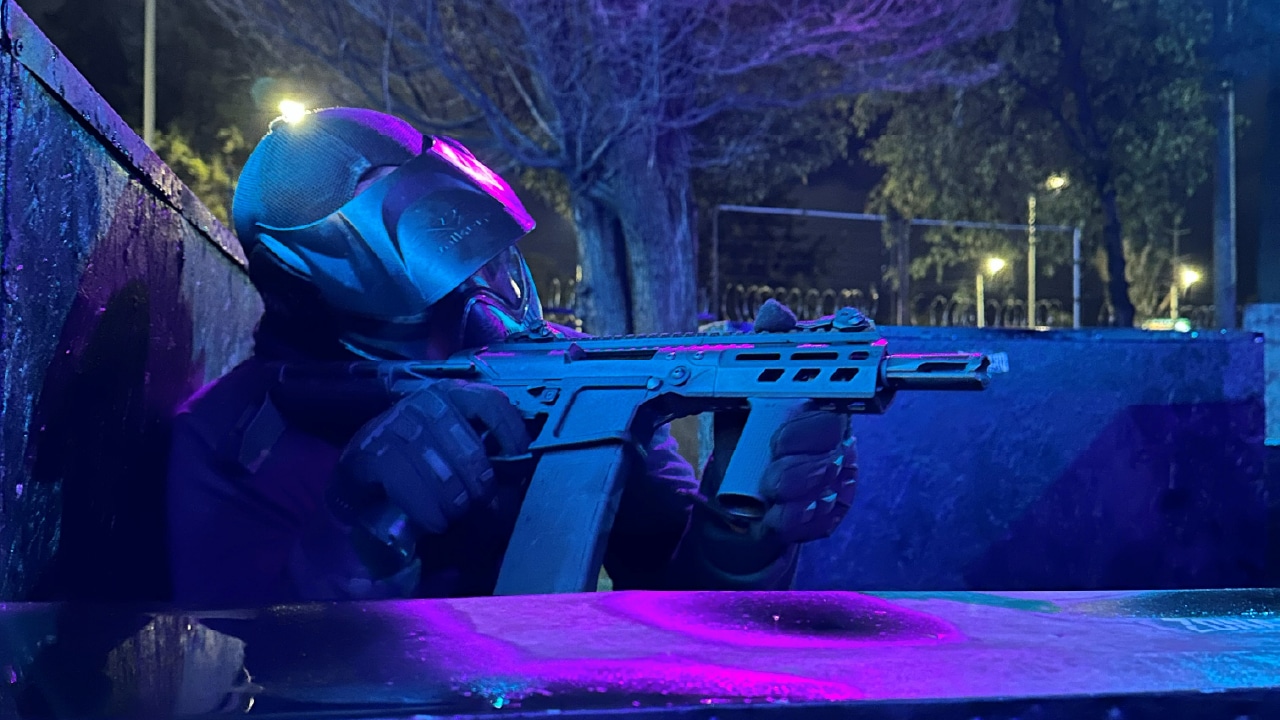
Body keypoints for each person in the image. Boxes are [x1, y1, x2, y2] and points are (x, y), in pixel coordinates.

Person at [165, 107, 858, 605]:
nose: (484, 307)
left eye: (487, 262)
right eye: (438, 291)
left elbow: (686, 614)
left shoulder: (572, 376)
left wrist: (740, 526)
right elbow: (236, 674)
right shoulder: (233, 441)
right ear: (325, 293)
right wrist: (351, 535)